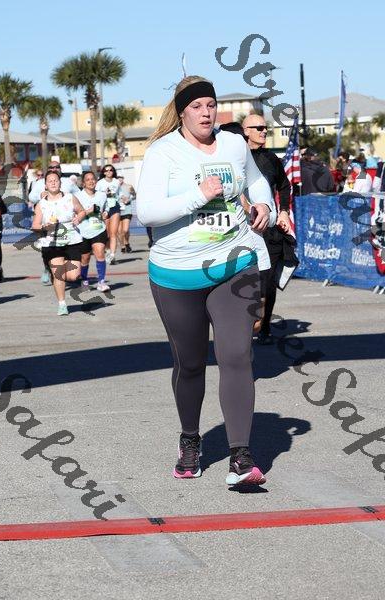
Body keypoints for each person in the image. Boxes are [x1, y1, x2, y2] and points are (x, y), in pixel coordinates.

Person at [137, 75, 276, 486]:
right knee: (191, 363)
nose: (206, 112)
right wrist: (199, 195)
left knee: (237, 356)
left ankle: (241, 457)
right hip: (177, 274)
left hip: (235, 264)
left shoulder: (233, 144)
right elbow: (147, 212)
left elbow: (255, 181)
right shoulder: (163, 152)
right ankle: (190, 440)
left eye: (211, 105)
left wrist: (264, 205)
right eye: (197, 106)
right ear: (182, 112)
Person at [241, 114, 294, 343]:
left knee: (268, 280)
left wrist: (284, 211)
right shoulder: (236, 156)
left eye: (265, 127)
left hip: (269, 229)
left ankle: (264, 328)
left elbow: (284, 186)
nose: (264, 131)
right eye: (259, 127)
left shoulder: (271, 158)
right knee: (245, 280)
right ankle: (244, 326)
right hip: (242, 229)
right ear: (245, 131)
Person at [32, 170, 85, 315]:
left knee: (73, 276)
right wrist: (44, 227)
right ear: (45, 185)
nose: (53, 183)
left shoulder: (70, 198)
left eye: (56, 180)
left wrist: (78, 218)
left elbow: (81, 211)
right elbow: (35, 225)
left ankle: (53, 272)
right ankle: (62, 304)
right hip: (52, 243)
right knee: (59, 274)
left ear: (60, 183)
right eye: (50, 181)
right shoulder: (41, 204)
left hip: (72, 240)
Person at [29, 161, 80, 285]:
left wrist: (76, 211)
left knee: (67, 266)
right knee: (47, 248)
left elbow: (79, 194)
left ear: (60, 169)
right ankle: (48, 268)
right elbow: (31, 197)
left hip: (67, 224)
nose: (54, 168)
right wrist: (41, 196)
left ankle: (60, 269)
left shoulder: (68, 182)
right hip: (47, 221)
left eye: (57, 167)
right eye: (51, 167)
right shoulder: (40, 182)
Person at [77, 171, 110, 292]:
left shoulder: (102, 195)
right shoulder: (78, 196)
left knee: (100, 253)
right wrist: (88, 211)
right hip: (83, 230)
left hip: (98, 229)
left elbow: (106, 208)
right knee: (85, 258)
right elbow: (75, 213)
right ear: (83, 183)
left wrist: (106, 213)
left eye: (93, 179)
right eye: (88, 180)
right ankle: (84, 280)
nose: (91, 181)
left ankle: (101, 282)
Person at [96, 164, 121, 264]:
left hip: (114, 207)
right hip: (104, 208)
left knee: (113, 233)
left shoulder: (116, 182)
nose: (109, 172)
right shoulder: (100, 183)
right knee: (106, 233)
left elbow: (119, 194)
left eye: (111, 170)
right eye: (106, 170)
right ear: (104, 173)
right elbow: (96, 195)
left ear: (113, 171)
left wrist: (122, 199)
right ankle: (107, 250)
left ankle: (112, 255)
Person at [117, 176, 133, 253]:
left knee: (125, 230)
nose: (119, 179)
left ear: (123, 178)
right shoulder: (114, 187)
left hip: (127, 210)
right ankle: (123, 245)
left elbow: (134, 195)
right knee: (119, 231)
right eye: (117, 178)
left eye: (120, 177)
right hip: (117, 210)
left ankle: (127, 242)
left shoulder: (129, 186)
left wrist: (128, 199)